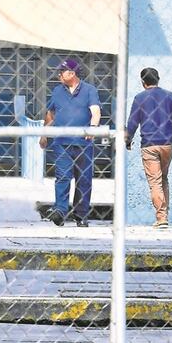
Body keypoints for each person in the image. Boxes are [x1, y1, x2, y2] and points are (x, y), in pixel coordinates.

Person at [40, 58, 101, 227]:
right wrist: (44, 134)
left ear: (72, 73)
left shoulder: (89, 90)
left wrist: (93, 128)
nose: (59, 75)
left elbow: (95, 111)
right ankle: (60, 211)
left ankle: (81, 215)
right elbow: (51, 114)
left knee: (84, 180)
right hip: (62, 142)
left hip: (83, 143)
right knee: (62, 177)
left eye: (62, 72)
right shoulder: (57, 91)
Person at [125, 67, 172, 229]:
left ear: (143, 82)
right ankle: (164, 214)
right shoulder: (170, 96)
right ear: (158, 79)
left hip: (149, 145)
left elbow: (132, 122)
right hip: (167, 144)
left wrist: (128, 140)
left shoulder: (140, 98)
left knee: (155, 181)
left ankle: (161, 218)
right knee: (163, 178)